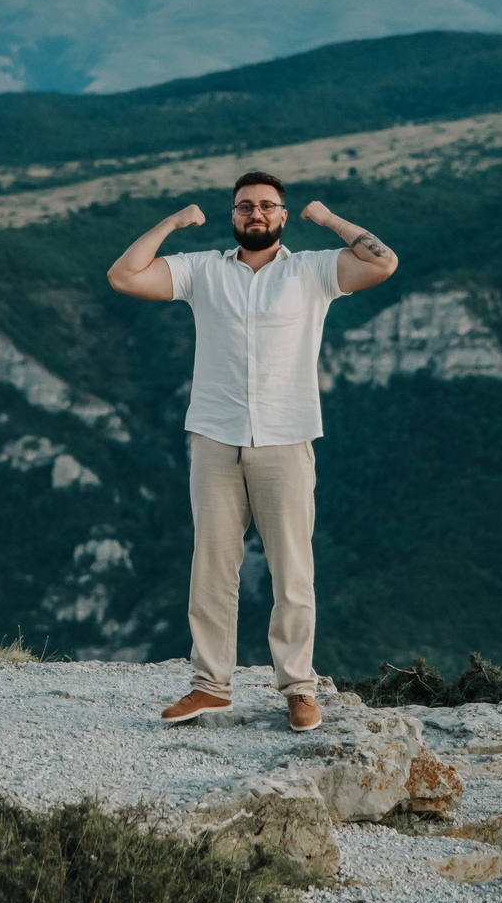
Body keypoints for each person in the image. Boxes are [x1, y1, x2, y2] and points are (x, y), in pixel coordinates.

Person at [105, 171, 399, 731]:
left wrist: (329, 218)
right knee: (212, 567)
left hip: (287, 437)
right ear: (232, 216)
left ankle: (298, 688)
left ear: (283, 217)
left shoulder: (312, 270)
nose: (256, 214)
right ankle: (211, 686)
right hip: (215, 436)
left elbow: (383, 262)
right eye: (245, 207)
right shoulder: (203, 270)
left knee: (293, 570)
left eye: (267, 206)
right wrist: (172, 222)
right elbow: (123, 275)